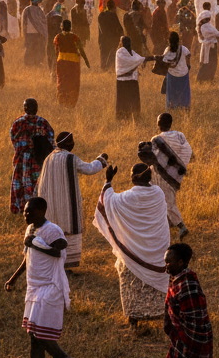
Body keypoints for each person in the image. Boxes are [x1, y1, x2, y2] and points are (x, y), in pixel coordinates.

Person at [92, 162, 170, 328]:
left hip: (132, 250)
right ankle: (160, 313)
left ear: (134, 177)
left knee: (131, 281)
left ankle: (134, 320)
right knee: (155, 282)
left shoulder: (128, 197)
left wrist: (108, 180)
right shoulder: (158, 193)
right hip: (157, 249)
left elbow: (107, 200)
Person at [4, 195, 74, 358]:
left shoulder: (52, 230)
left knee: (40, 332)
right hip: (34, 286)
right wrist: (13, 279)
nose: (26, 215)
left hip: (50, 286)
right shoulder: (30, 229)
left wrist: (36, 244)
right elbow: (27, 258)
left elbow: (59, 250)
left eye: (30, 212)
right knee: (33, 330)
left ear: (42, 211)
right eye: (25, 212)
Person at [37, 131, 107, 267]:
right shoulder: (70, 158)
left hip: (50, 204)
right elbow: (89, 169)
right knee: (68, 229)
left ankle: (54, 264)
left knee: (53, 232)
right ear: (66, 143)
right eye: (71, 141)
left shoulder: (49, 158)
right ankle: (67, 265)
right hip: (67, 205)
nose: (73, 144)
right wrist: (101, 160)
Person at [137, 114, 193, 240]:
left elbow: (154, 158)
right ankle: (168, 222)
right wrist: (181, 166)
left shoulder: (156, 139)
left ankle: (181, 226)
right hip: (177, 175)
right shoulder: (179, 135)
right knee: (167, 198)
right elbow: (188, 151)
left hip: (163, 175)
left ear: (158, 124)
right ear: (170, 123)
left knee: (168, 202)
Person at [9, 98, 56, 215]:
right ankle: (41, 210)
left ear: (24, 109)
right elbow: (51, 142)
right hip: (39, 160)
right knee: (40, 185)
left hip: (22, 160)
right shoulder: (43, 123)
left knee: (23, 184)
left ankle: (25, 209)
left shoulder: (17, 123)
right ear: (37, 108)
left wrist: (24, 148)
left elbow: (15, 142)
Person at [53, 18, 90, 106]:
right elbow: (81, 50)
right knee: (73, 82)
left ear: (61, 27)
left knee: (62, 81)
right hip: (74, 62)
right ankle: (72, 102)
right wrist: (86, 61)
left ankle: (62, 101)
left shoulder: (57, 37)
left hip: (61, 61)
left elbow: (56, 52)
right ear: (70, 27)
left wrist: (55, 62)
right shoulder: (74, 37)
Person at [159, 31, 192, 112]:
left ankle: (172, 107)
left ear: (169, 40)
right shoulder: (184, 49)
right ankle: (185, 106)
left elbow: (164, 61)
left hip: (172, 75)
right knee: (184, 91)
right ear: (178, 39)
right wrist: (187, 68)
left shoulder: (167, 50)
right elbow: (188, 59)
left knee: (172, 92)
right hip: (184, 74)